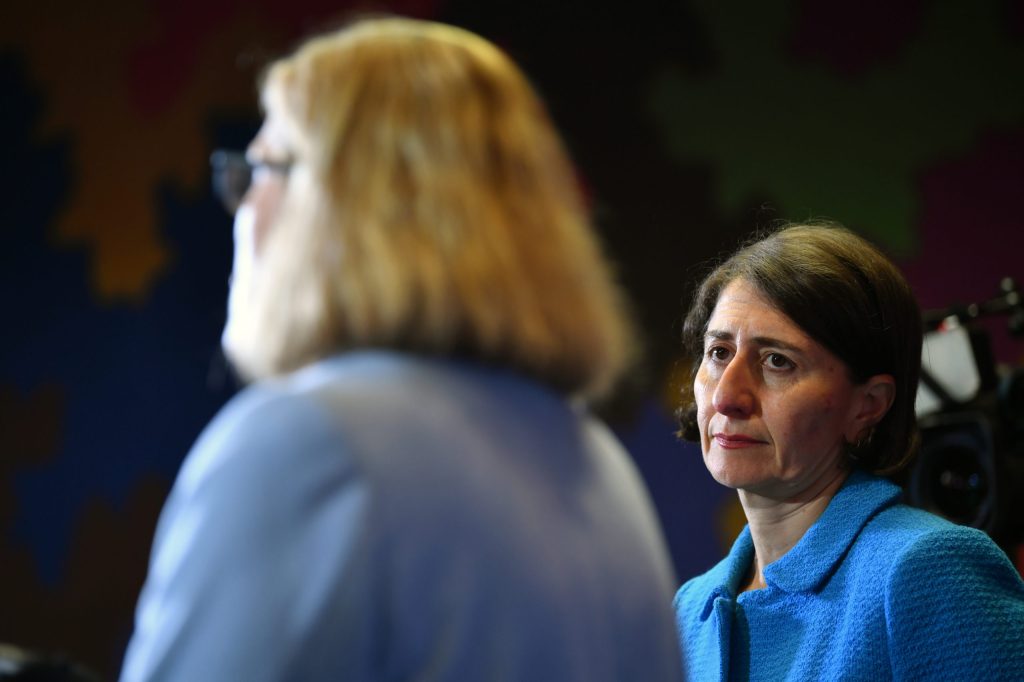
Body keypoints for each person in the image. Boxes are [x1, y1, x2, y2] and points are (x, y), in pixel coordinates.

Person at [119, 16, 683, 682]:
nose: (242, 205)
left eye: (262, 165)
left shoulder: (305, 445)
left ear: (348, 198)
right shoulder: (605, 472)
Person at [673, 223, 1024, 680]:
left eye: (777, 361)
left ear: (868, 406)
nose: (727, 396)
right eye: (719, 352)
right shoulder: (689, 609)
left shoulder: (927, 570)